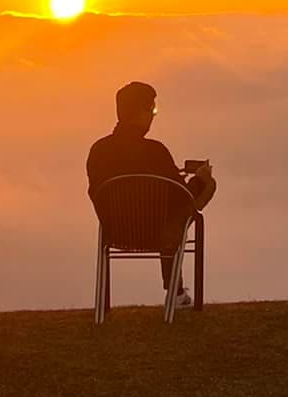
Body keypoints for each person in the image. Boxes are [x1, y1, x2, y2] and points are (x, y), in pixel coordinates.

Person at [85, 81, 216, 307]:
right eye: (153, 110)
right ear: (142, 113)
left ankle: (107, 307)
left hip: (115, 230)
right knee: (187, 206)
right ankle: (174, 293)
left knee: (174, 213)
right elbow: (181, 195)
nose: (154, 116)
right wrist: (201, 180)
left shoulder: (98, 152)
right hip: (159, 233)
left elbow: (95, 192)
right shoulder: (155, 152)